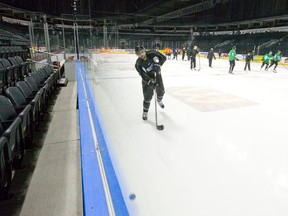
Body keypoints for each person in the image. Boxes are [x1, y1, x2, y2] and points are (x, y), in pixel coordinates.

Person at [135, 45, 166, 120]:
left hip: (157, 75)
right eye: (139, 53)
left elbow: (164, 58)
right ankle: (145, 112)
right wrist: (150, 81)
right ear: (137, 55)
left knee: (161, 91)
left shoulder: (152, 53)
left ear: (145, 50)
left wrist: (158, 65)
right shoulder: (138, 64)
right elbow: (143, 75)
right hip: (147, 80)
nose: (141, 54)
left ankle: (159, 100)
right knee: (147, 97)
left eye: (142, 52)